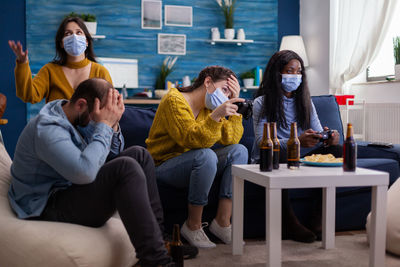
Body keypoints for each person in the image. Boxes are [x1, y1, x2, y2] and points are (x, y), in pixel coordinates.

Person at [8, 78, 174, 267]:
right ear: (81, 104)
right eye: (96, 116)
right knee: (125, 167)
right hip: (47, 203)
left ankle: (160, 242)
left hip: (72, 186)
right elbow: (85, 172)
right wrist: (103, 125)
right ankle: (157, 262)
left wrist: (113, 124)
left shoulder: (77, 116)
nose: (98, 120)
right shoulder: (47, 129)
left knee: (139, 155)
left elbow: (112, 152)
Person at [146, 66, 248, 248]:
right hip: (163, 165)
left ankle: (222, 222)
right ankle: (193, 225)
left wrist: (234, 106)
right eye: (225, 90)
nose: (225, 97)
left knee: (239, 151)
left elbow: (230, 139)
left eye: (229, 94)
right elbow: (191, 139)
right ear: (208, 82)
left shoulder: (211, 108)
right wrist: (217, 115)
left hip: (196, 162)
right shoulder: (174, 100)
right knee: (205, 155)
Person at [251, 50, 341, 243]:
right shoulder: (261, 103)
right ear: (277, 73)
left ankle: (316, 219)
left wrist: (329, 137)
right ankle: (288, 223)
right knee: (280, 156)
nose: (295, 76)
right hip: (270, 157)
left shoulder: (306, 102)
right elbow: (261, 142)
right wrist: (297, 141)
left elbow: (317, 130)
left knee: (338, 150)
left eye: (299, 71)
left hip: (299, 157)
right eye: (290, 71)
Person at [8, 16, 112, 104]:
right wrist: (23, 63)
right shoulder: (50, 70)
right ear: (61, 43)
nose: (74, 37)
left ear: (87, 41)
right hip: (55, 128)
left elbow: (110, 106)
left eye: (79, 32)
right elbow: (28, 95)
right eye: (68, 33)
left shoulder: (100, 72)